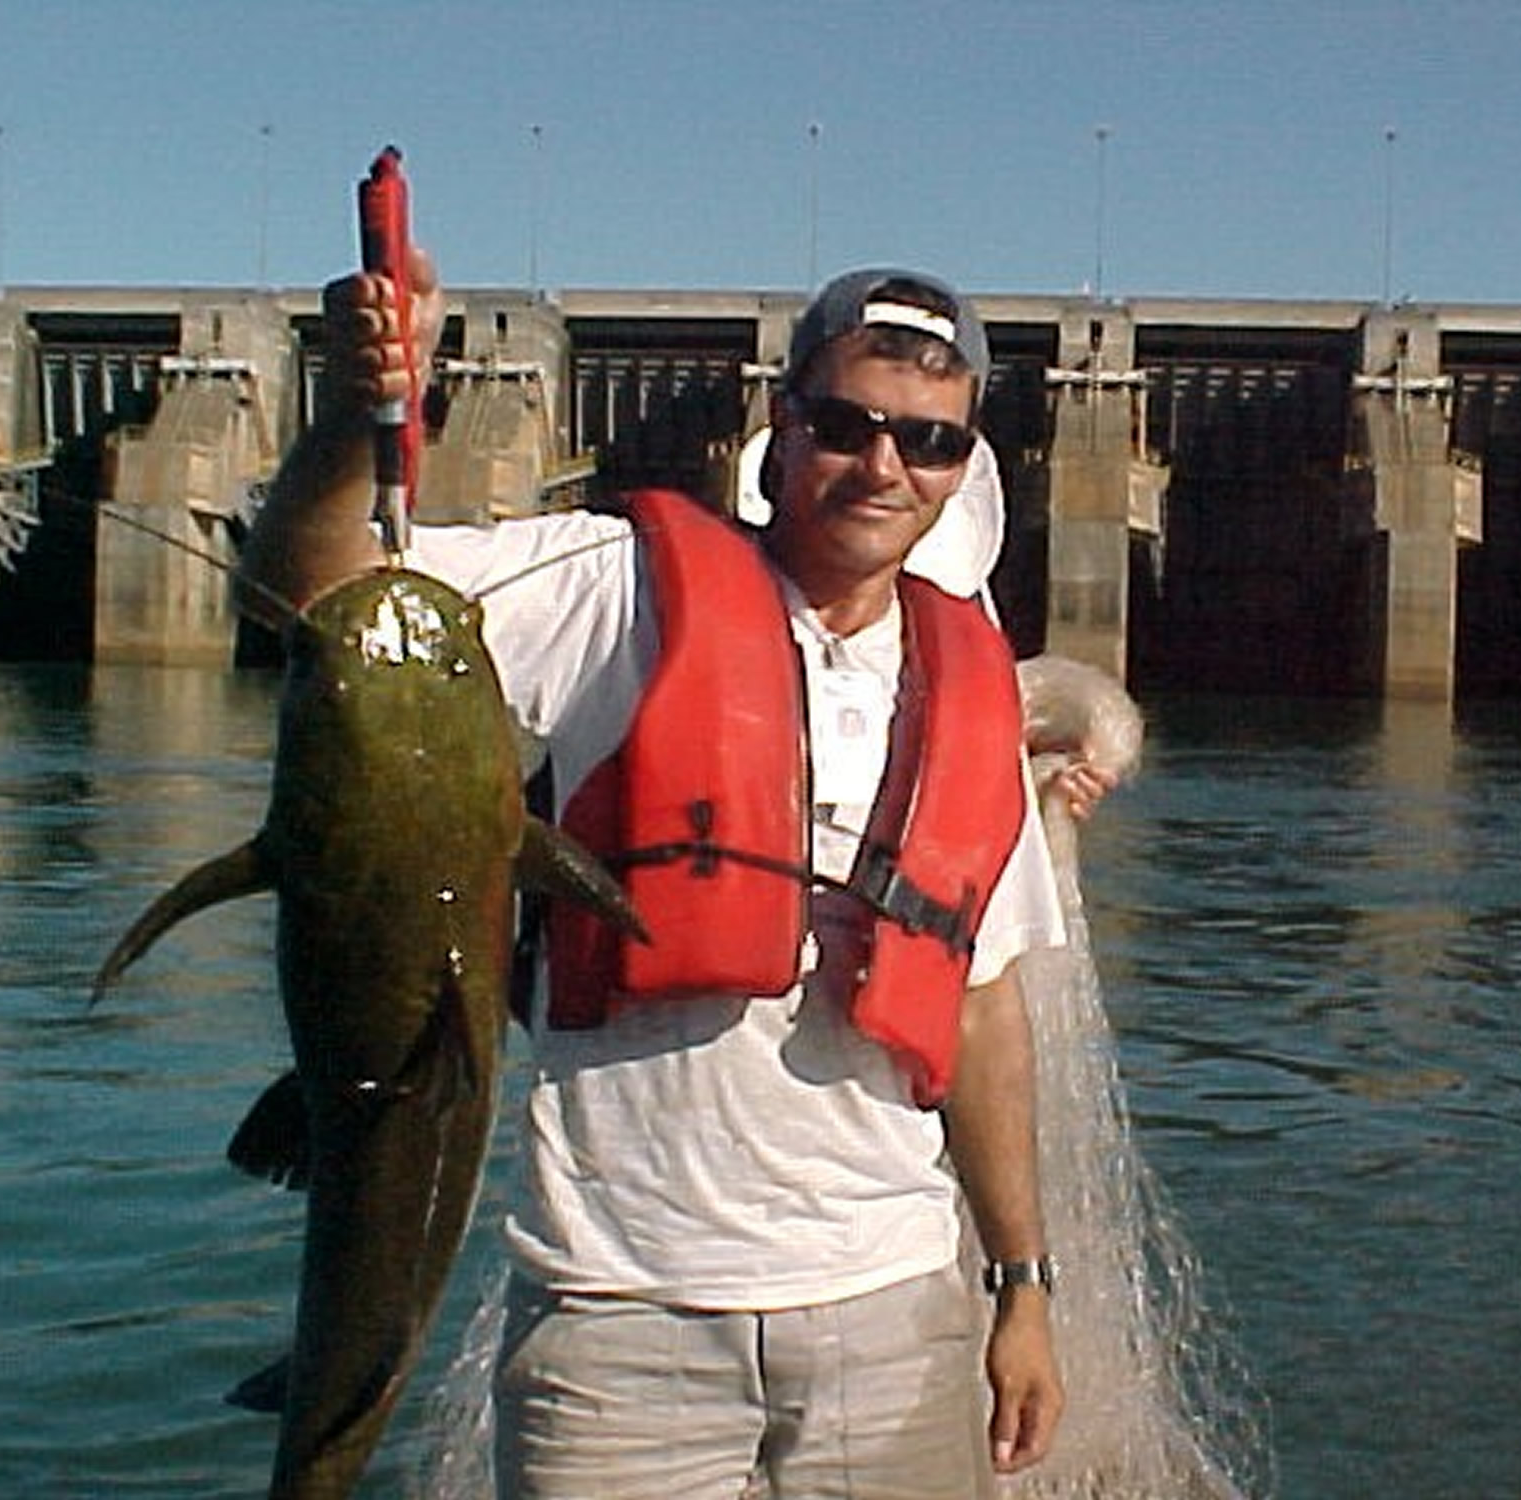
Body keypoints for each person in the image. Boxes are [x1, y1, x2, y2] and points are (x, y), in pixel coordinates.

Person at [245, 249, 1069, 1498]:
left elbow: (981, 1007)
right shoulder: (607, 586)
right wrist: (359, 416)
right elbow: (309, 594)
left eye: (928, 440)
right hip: (618, 1319)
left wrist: (1021, 1284)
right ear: (781, 427)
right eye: (845, 425)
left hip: (892, 1307)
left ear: (962, 465)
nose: (884, 465)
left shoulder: (972, 687)